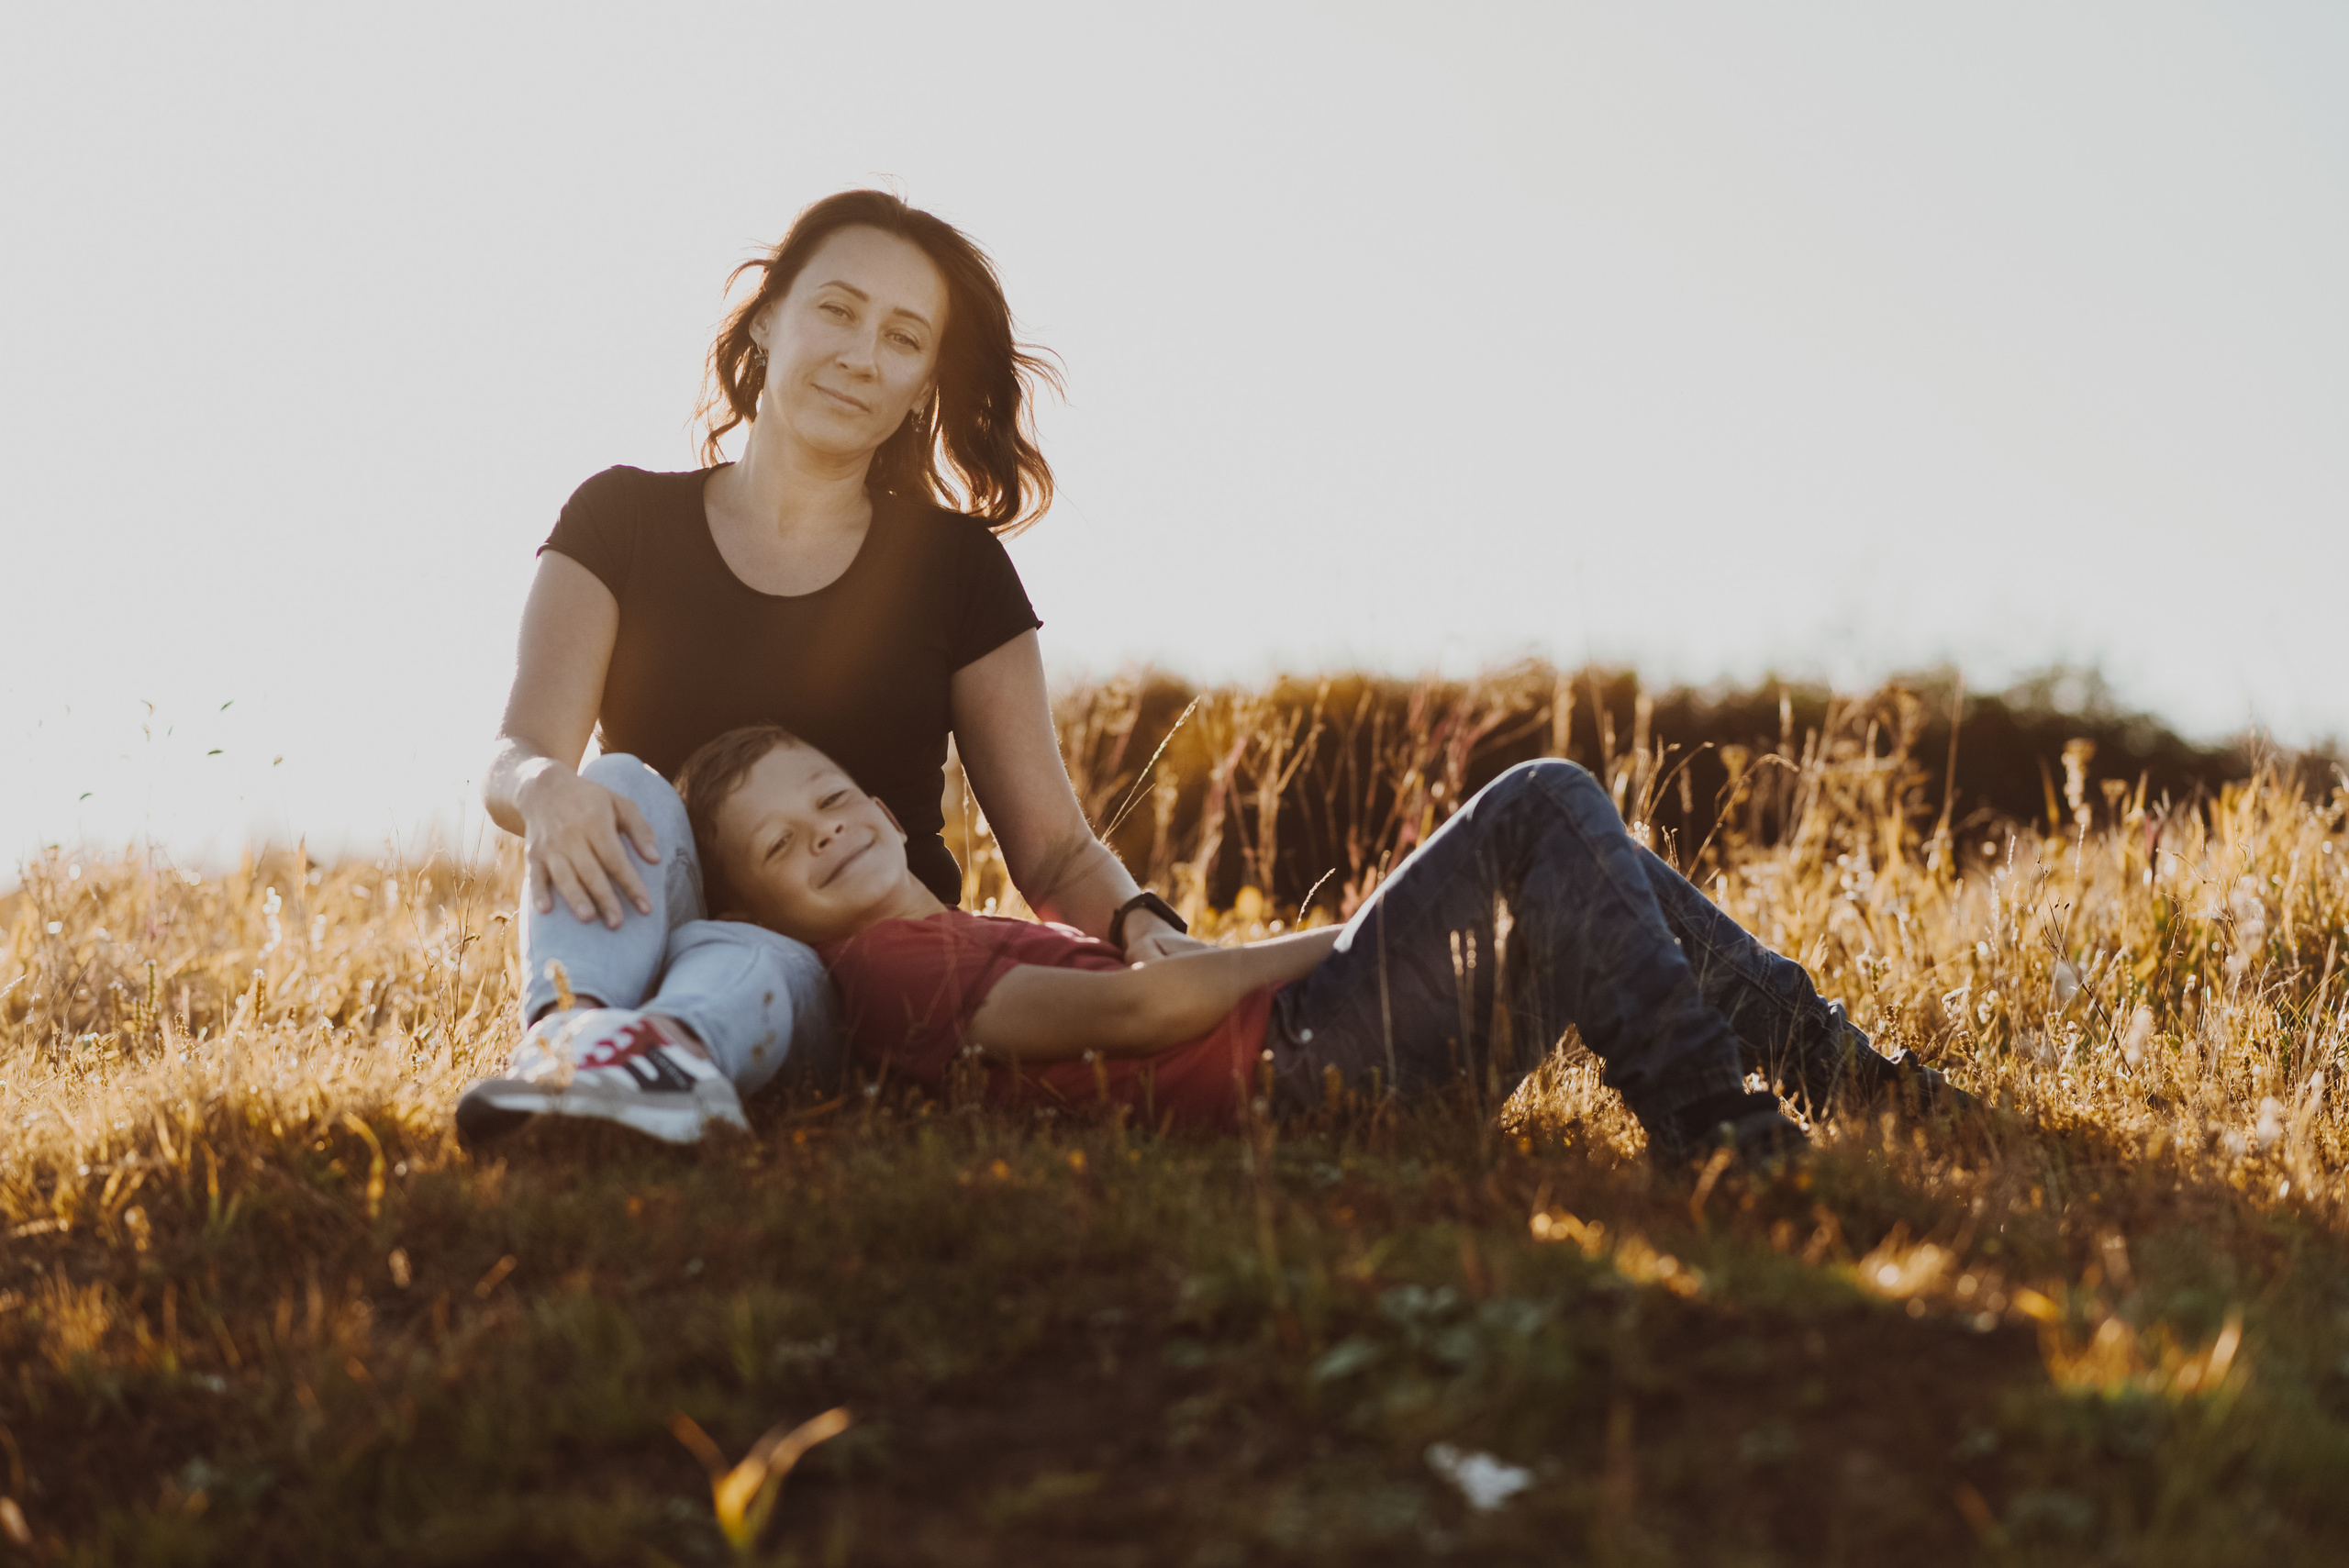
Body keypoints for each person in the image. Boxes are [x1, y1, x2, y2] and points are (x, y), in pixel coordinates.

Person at [455, 192, 1207, 1149]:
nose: (860, 355)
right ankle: (572, 1048)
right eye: (838, 310)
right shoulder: (619, 519)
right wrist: (543, 788)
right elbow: (518, 751)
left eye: (903, 337)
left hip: (857, 969)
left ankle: (668, 1054)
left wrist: (1141, 925)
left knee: (749, 953)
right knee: (613, 781)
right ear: (769, 316)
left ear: (924, 380)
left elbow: (1053, 851)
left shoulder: (955, 568)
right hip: (651, 927)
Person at [514, 723, 1967, 1168]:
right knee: (1540, 804)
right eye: (784, 843)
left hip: (1335, 1062)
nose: (824, 829)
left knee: (1596, 856)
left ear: (888, 802)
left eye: (830, 798)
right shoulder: (883, 972)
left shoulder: (944, 921)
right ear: (765, 914)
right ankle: (1716, 1121)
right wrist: (1353, 937)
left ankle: (1836, 1069)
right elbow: (1143, 1019)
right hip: (1309, 1067)